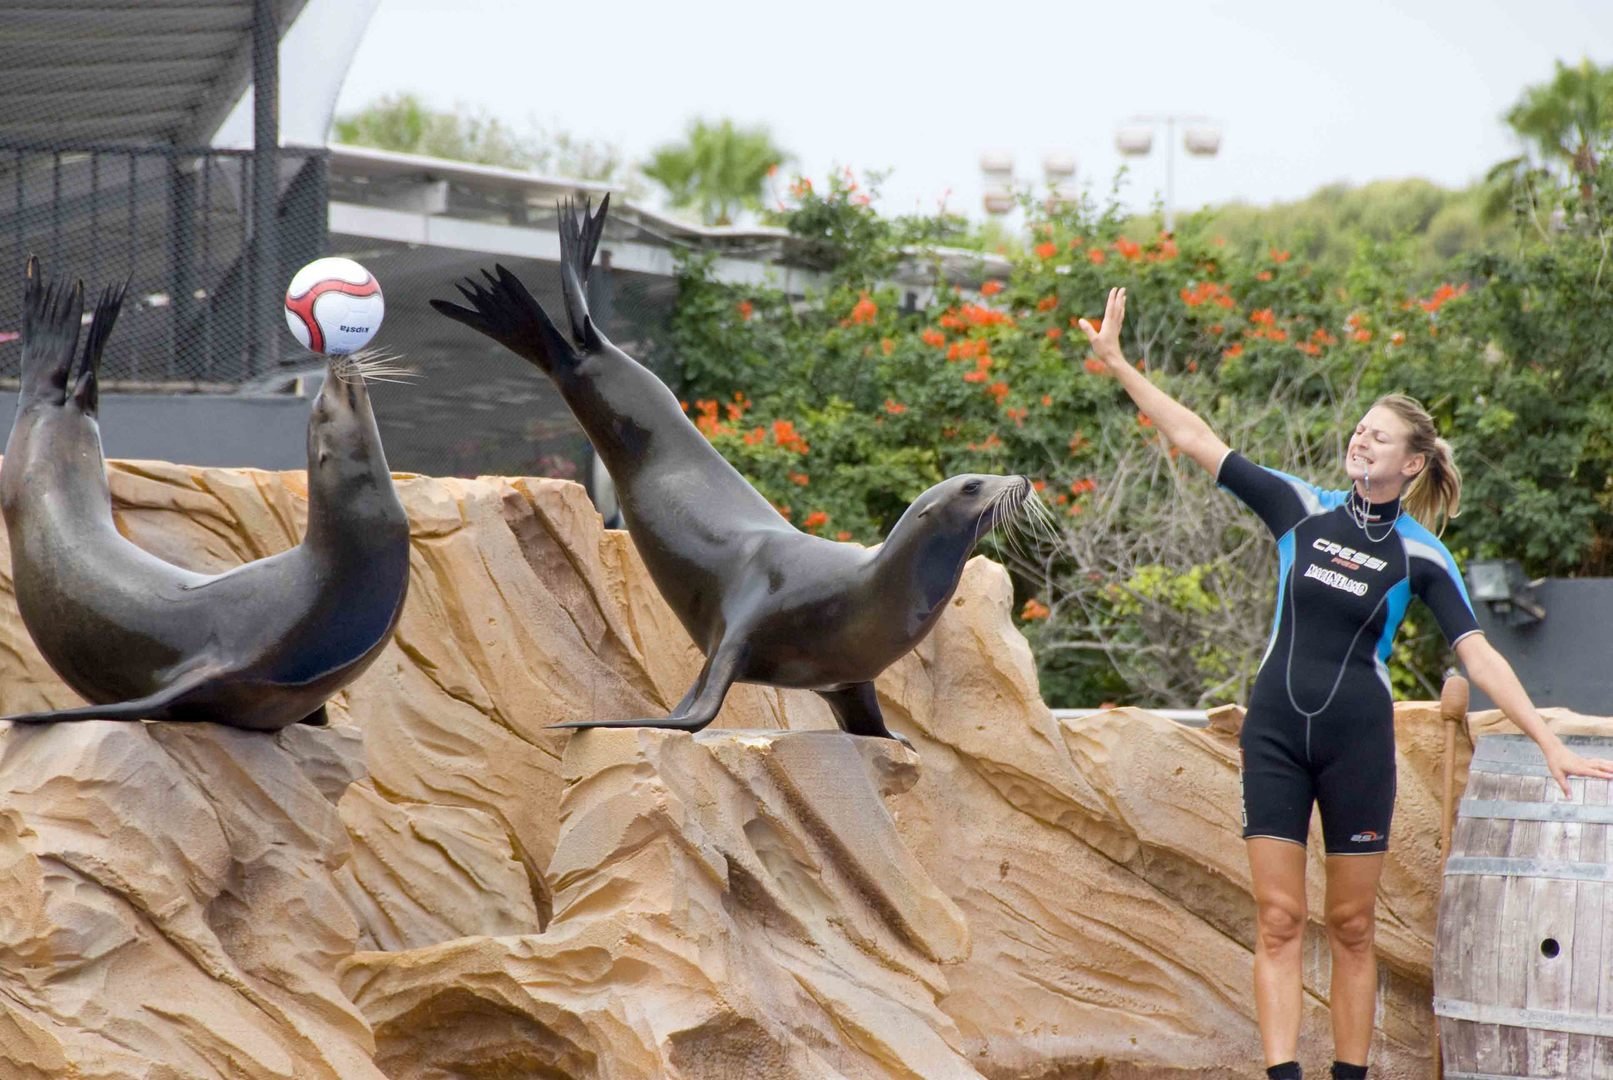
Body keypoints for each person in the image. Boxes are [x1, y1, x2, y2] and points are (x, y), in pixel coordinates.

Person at [1077, 287, 1613, 1080]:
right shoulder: (1299, 508)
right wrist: (1120, 364)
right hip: (1273, 734)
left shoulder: (1424, 555)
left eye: (1379, 435)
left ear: (1411, 462)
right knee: (1277, 918)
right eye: (1359, 429)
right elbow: (1195, 437)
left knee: (1352, 924)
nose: (1361, 440)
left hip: (1356, 741)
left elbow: (1480, 654)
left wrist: (1546, 743)